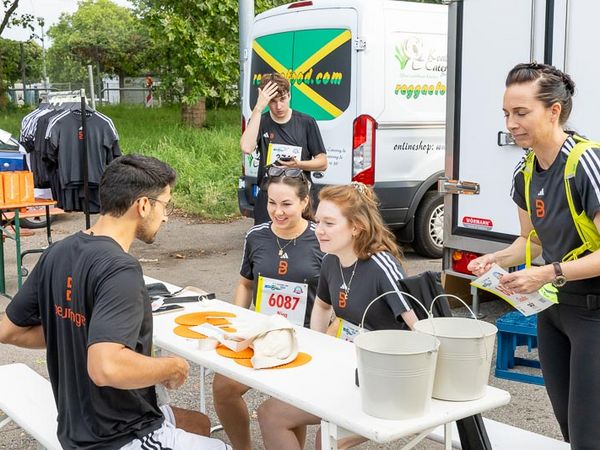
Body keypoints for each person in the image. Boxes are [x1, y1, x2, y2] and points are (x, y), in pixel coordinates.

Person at [0, 155, 229, 450]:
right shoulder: (121, 269)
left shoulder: (57, 252)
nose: (166, 216)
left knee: (198, 423)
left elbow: (8, 330)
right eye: (165, 205)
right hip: (118, 437)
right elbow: (105, 367)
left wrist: (77, 331)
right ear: (144, 205)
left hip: (76, 427)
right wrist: (171, 367)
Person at [468, 63, 600, 449]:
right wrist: (498, 259)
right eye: (507, 113)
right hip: (554, 311)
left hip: (593, 311)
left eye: (521, 112)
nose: (511, 123)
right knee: (570, 428)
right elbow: (532, 242)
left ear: (554, 111)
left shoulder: (586, 163)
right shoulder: (525, 170)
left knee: (590, 435)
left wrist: (547, 274)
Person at [257, 182, 419, 450]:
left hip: (381, 384)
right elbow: (321, 306)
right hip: (344, 371)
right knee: (270, 414)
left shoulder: (381, 264)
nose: (318, 230)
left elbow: (421, 330)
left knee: (327, 437)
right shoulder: (332, 259)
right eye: (318, 221)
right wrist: (316, 352)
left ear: (356, 227)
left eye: (329, 223)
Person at [213, 165, 324, 450]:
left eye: (286, 204)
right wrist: (238, 321)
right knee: (223, 387)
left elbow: (332, 300)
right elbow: (245, 284)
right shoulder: (256, 236)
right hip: (260, 335)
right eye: (271, 203)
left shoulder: (321, 241)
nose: (278, 211)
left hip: (302, 341)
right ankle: (242, 447)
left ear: (304, 201)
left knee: (285, 404)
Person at [240, 72, 328, 225]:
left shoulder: (306, 122)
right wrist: (258, 108)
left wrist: (298, 164)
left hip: (298, 196)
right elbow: (247, 147)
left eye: (282, 99)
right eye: (272, 102)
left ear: (289, 96)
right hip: (269, 196)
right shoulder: (260, 121)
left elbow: (322, 162)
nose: (279, 106)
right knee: (267, 245)